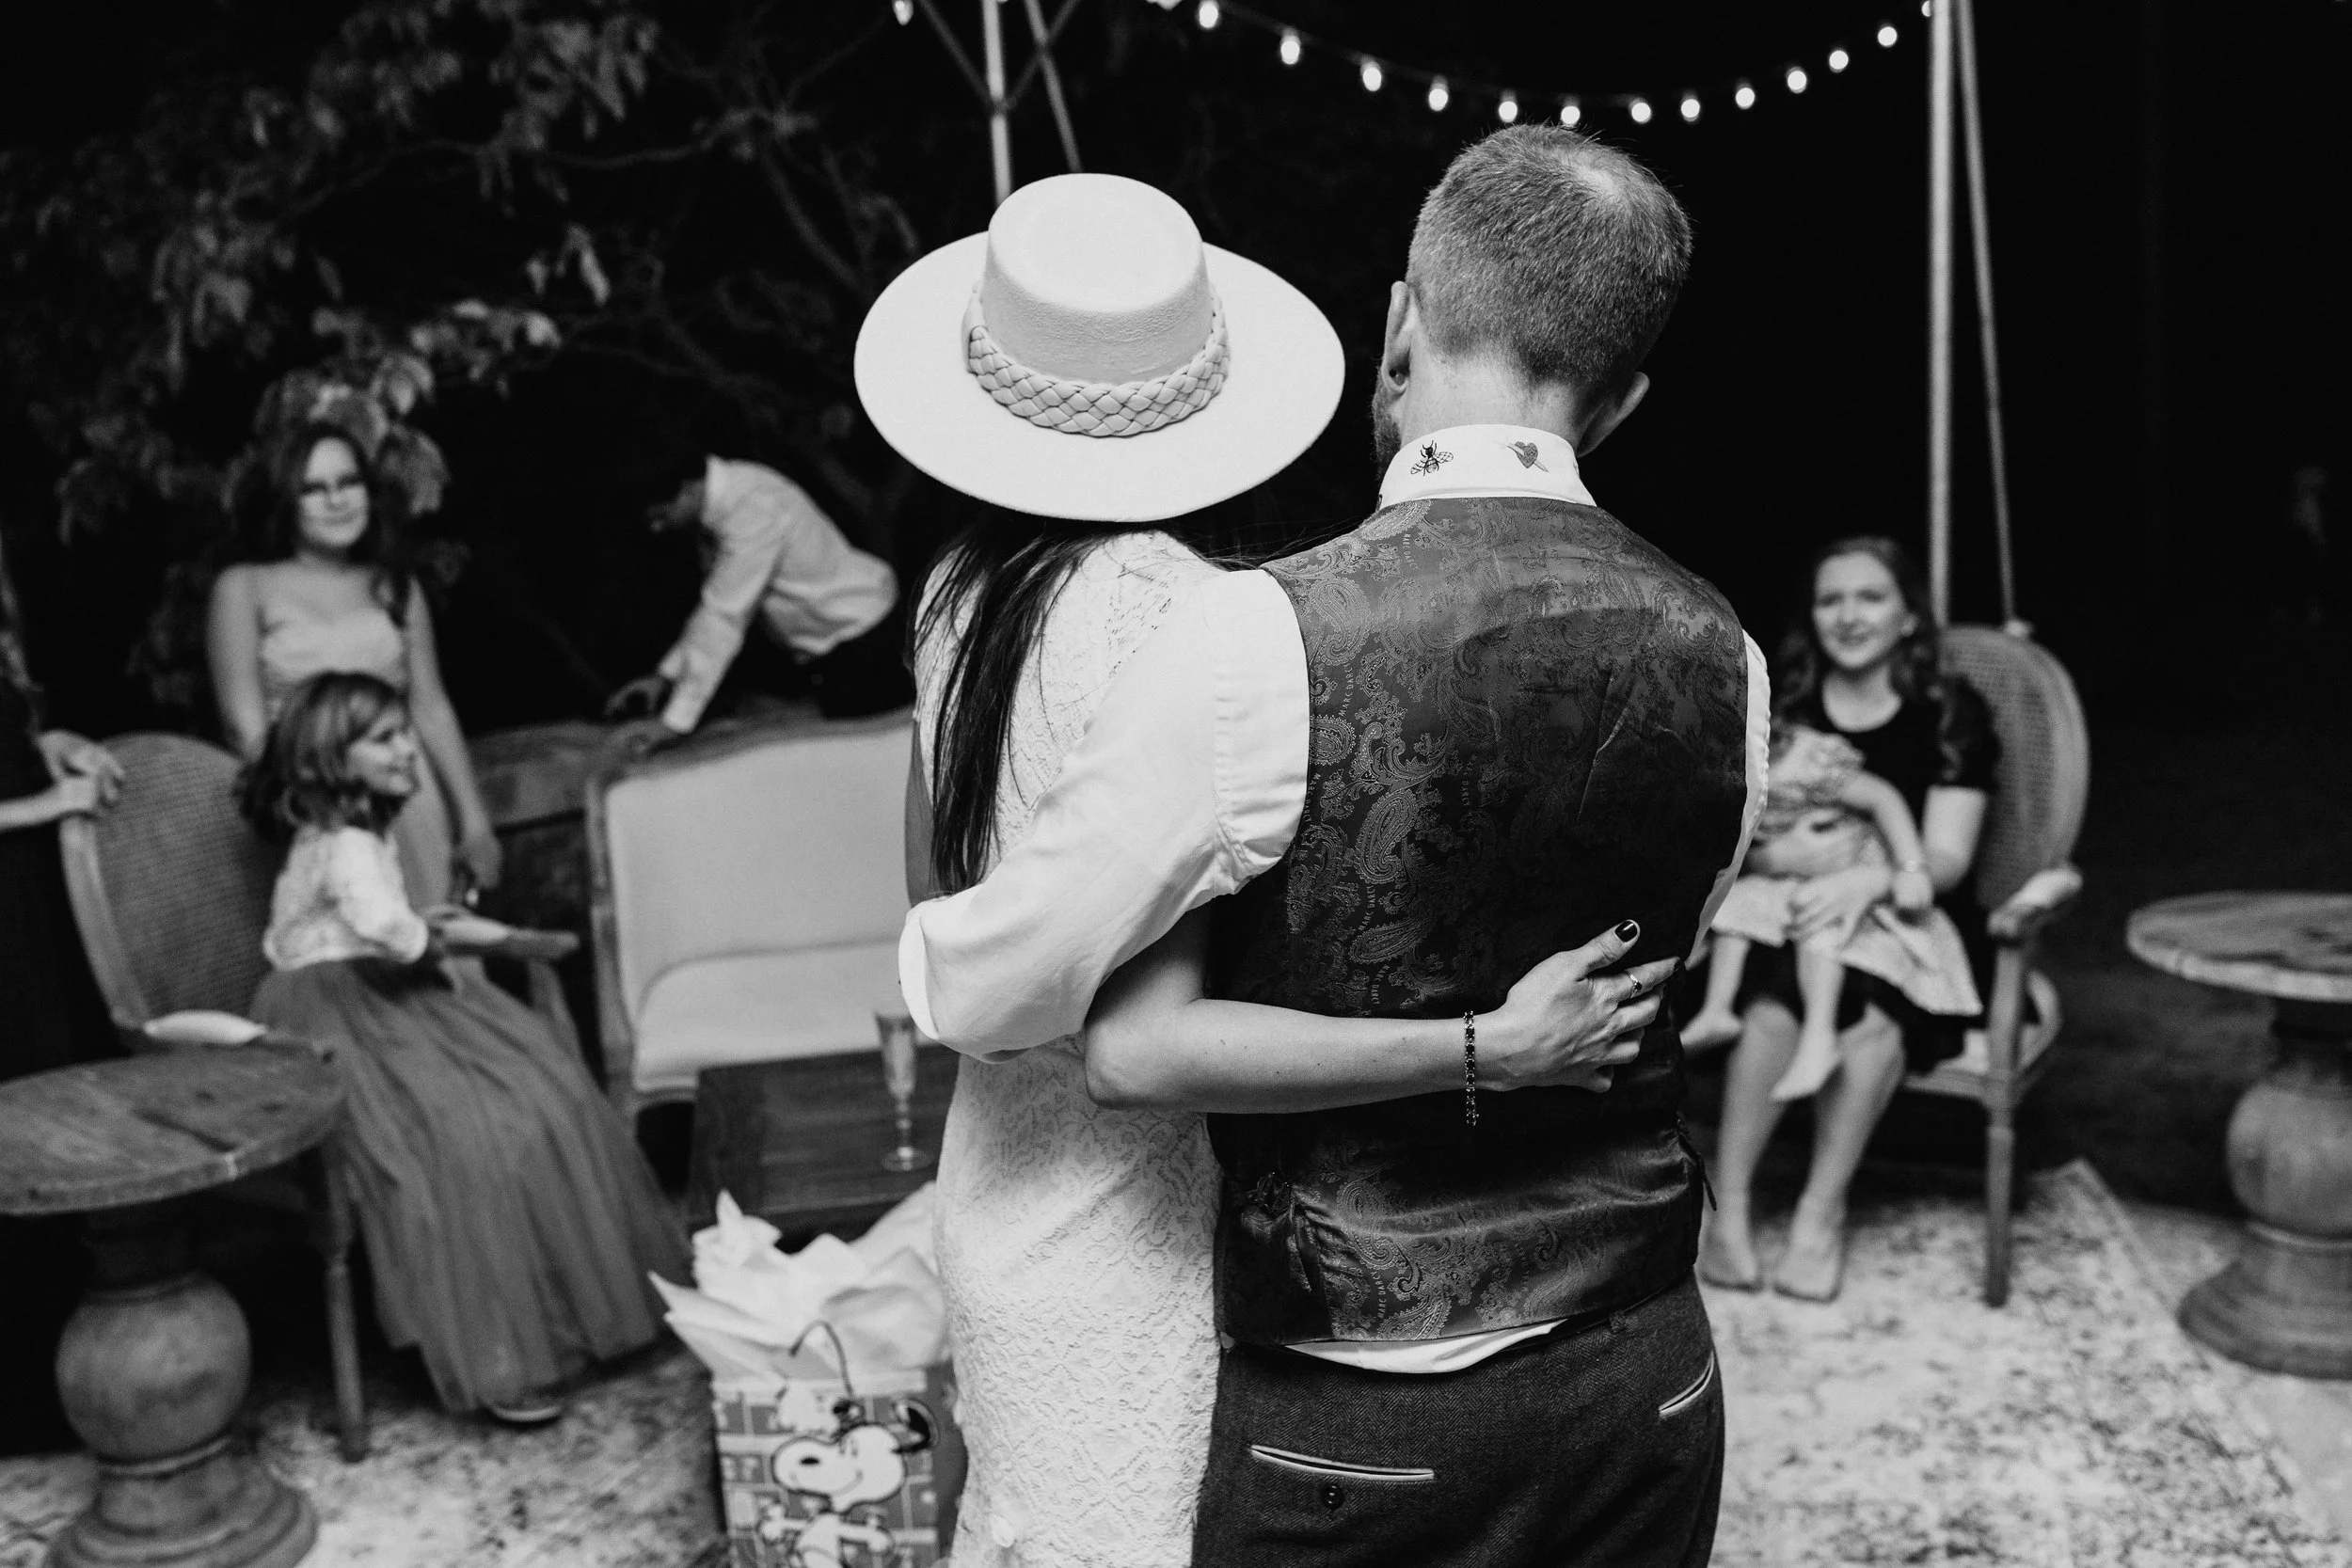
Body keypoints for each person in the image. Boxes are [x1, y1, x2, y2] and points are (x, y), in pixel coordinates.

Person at [886, 135, 1770, 1567]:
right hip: (1643, 1363)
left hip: (1357, 1393)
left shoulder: (1245, 635)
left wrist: (945, 970)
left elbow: (1057, 1006)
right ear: (1625, 397)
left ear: (1400, 321)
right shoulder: (1730, 658)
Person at [241, 671, 686, 1423]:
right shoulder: (343, 840)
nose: (407, 747)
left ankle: (550, 1312)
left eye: (403, 730)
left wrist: (428, 925)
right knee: (460, 1137)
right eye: (383, 738)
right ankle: (500, 1353)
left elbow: (381, 919)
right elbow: (389, 929)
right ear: (329, 759)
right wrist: (437, 930)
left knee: (538, 1091)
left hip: (376, 989)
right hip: (337, 1010)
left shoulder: (356, 831)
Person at [1698, 536, 2000, 1303]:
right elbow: (1732, 835)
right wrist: (1780, 862)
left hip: (1909, 916)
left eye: (1870, 597)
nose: (1849, 615)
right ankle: (1728, 1216)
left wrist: (1868, 877)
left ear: (1908, 617)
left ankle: (1818, 1213)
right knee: (1770, 1006)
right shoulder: (1785, 706)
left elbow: (1949, 855)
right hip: (1787, 912)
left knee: (1870, 1013)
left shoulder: (1949, 713)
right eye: (1832, 599)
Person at [208, 420, 501, 909]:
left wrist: (474, 823)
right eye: (314, 489)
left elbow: (431, 707)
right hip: (306, 808)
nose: (337, 500)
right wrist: (307, 811)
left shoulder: (394, 586)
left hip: (406, 794)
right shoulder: (243, 588)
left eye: (349, 482)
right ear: (285, 499)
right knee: (348, 953)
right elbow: (246, 731)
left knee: (434, 951)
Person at [0, 531, 124, 1452]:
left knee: (61, 1117)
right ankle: (28, 1400)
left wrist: (48, 741)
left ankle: (88, 1377)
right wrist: (49, 806)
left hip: (28, 915)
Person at [1683, 720, 1981, 1102]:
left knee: (1820, 923)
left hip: (1847, 868)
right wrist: (1771, 858)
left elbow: (1882, 797)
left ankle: (1818, 1039)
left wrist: (1909, 868)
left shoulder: (1801, 758)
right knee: (1735, 910)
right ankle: (1717, 1010)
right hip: (1785, 875)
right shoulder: (1713, 774)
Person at [603, 457, 909, 731]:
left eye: (661, 514)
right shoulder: (719, 507)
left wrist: (673, 723)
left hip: (866, 642)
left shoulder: (751, 508)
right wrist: (665, 677)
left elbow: (724, 617)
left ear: (687, 490)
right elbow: (714, 604)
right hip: (835, 647)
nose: (658, 528)